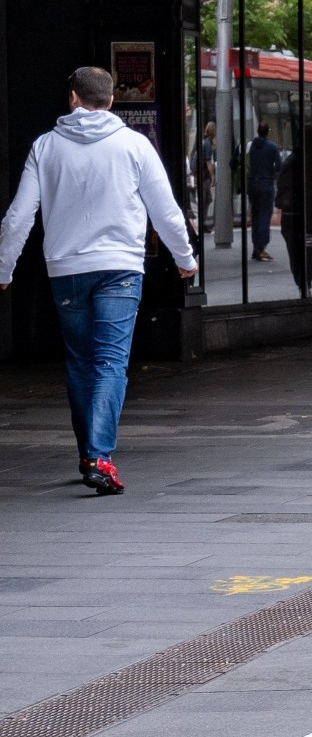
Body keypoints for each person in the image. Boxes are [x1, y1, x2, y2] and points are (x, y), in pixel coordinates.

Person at [0, 66, 197, 495]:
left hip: (66, 270)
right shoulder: (135, 145)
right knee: (110, 361)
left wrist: (4, 268)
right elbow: (166, 210)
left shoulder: (45, 147)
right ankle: (99, 456)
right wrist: (185, 259)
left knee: (80, 362)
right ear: (111, 101)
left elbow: (19, 216)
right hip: (121, 268)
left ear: (72, 98)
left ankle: (89, 453)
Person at [246, 125, 283, 263]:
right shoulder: (272, 147)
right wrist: (271, 173)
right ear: (268, 132)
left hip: (253, 185)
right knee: (264, 216)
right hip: (266, 185)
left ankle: (256, 246)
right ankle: (261, 247)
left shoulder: (252, 147)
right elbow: (279, 166)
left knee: (255, 216)